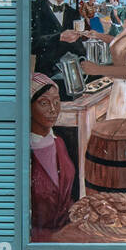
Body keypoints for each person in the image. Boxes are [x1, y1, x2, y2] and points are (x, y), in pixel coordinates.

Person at [29, 73, 75, 240]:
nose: (53, 109)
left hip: (65, 233)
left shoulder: (58, 144)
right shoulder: (25, 153)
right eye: (44, 103)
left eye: (57, 102)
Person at [31, 0, 86, 96]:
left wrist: (83, 39)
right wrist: (59, 37)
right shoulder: (34, 8)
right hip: (46, 78)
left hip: (73, 77)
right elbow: (31, 43)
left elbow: (79, 48)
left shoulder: (73, 13)